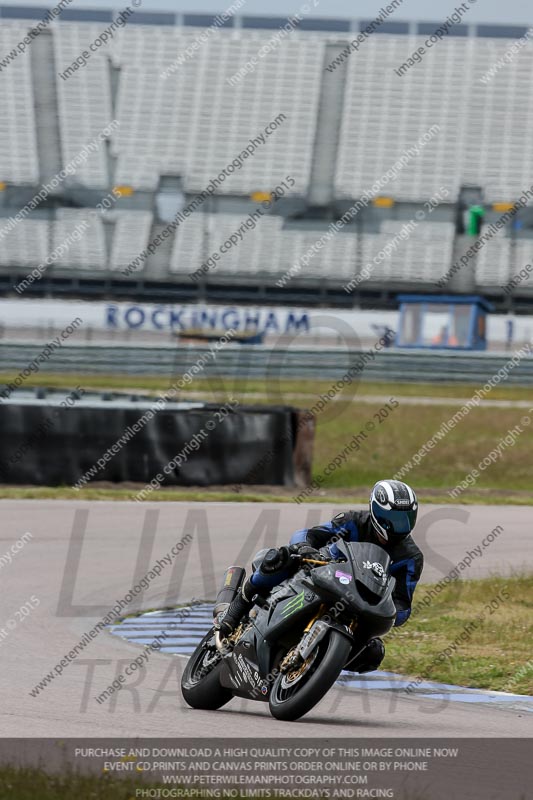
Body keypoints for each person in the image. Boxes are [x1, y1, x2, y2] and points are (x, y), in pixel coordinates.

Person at [216, 479, 423, 674]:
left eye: (406, 519)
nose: (400, 526)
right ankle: (234, 611)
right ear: (377, 511)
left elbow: (403, 603)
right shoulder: (354, 521)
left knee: (373, 653)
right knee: (280, 558)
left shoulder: (411, 557)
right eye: (395, 519)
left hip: (363, 603)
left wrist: (391, 610)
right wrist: (305, 548)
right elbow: (310, 533)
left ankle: (318, 666)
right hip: (325, 572)